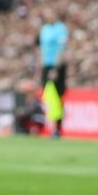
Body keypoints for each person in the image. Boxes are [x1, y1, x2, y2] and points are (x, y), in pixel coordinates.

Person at [38, 8, 69, 138]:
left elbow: (61, 49)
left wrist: (55, 69)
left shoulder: (60, 28)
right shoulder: (44, 29)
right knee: (49, 96)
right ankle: (51, 125)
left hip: (57, 66)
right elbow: (41, 49)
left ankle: (58, 127)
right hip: (46, 65)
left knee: (58, 96)